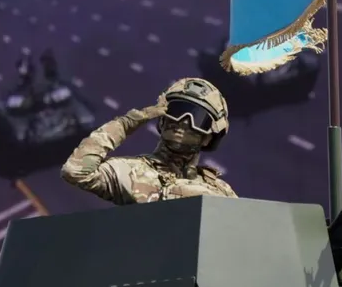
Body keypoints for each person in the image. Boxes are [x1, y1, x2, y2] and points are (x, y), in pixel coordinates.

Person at [61, 77, 238, 204]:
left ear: (208, 137)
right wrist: (127, 123)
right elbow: (76, 172)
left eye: (197, 119)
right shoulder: (133, 172)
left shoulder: (221, 191)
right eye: (176, 112)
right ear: (162, 119)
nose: (183, 123)